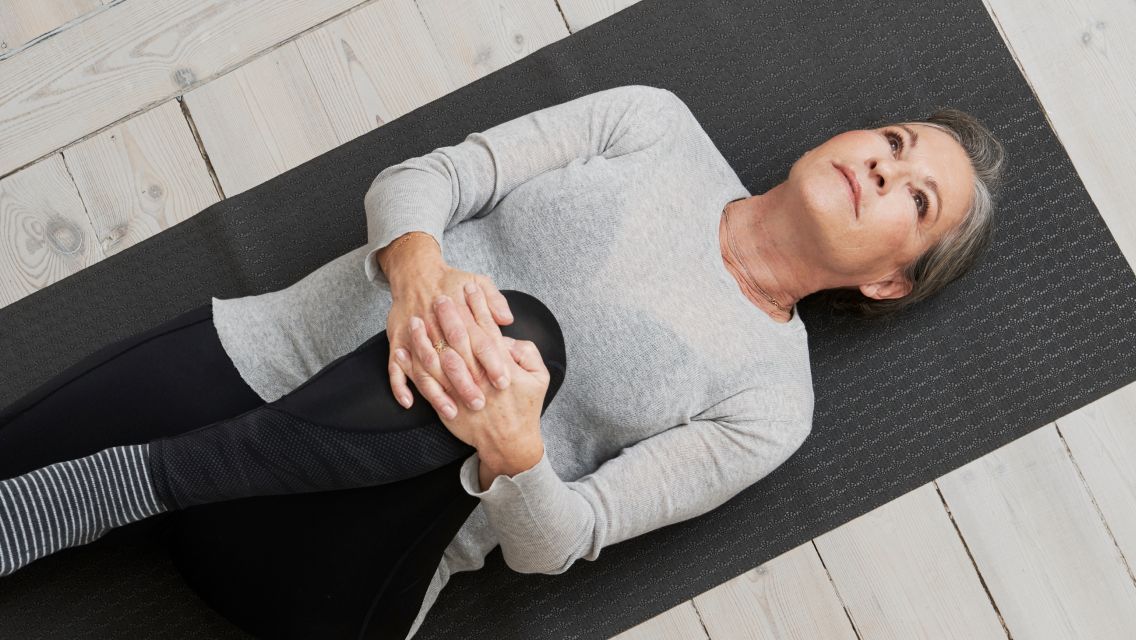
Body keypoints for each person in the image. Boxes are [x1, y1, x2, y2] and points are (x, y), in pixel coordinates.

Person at [0, 84, 1004, 639]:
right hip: (262, 365)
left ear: (890, 282)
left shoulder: (772, 402)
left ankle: (154, 478)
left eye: (915, 197)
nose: (885, 165)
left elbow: (557, 545)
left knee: (523, 339)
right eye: (894, 139)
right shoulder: (653, 125)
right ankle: (163, 476)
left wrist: (514, 448)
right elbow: (423, 179)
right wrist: (419, 276)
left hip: (335, 559)